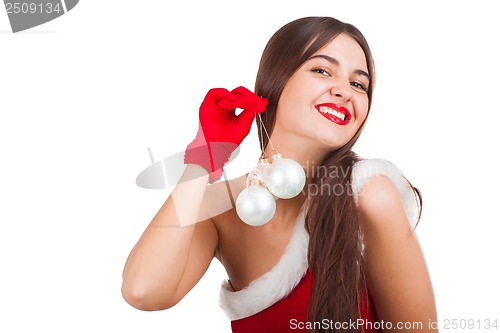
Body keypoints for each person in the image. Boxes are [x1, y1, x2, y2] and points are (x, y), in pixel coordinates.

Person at [121, 16, 438, 333]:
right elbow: (144, 292)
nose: (344, 91)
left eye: (359, 84)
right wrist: (204, 158)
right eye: (322, 70)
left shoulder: (369, 194)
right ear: (277, 79)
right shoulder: (221, 208)